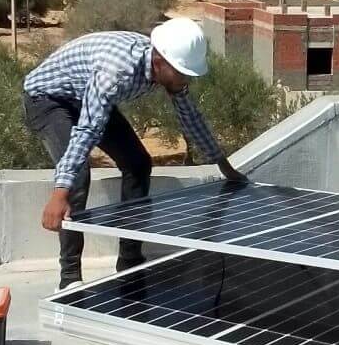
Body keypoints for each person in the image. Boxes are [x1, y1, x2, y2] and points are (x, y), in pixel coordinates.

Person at [23, 17, 246, 291]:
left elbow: (190, 117)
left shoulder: (166, 71)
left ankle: (129, 265)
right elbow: (88, 130)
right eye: (181, 72)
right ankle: (69, 279)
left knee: (138, 163)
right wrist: (59, 193)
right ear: (159, 62)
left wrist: (223, 165)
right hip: (47, 98)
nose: (184, 78)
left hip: (85, 95)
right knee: (78, 174)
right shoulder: (116, 73)